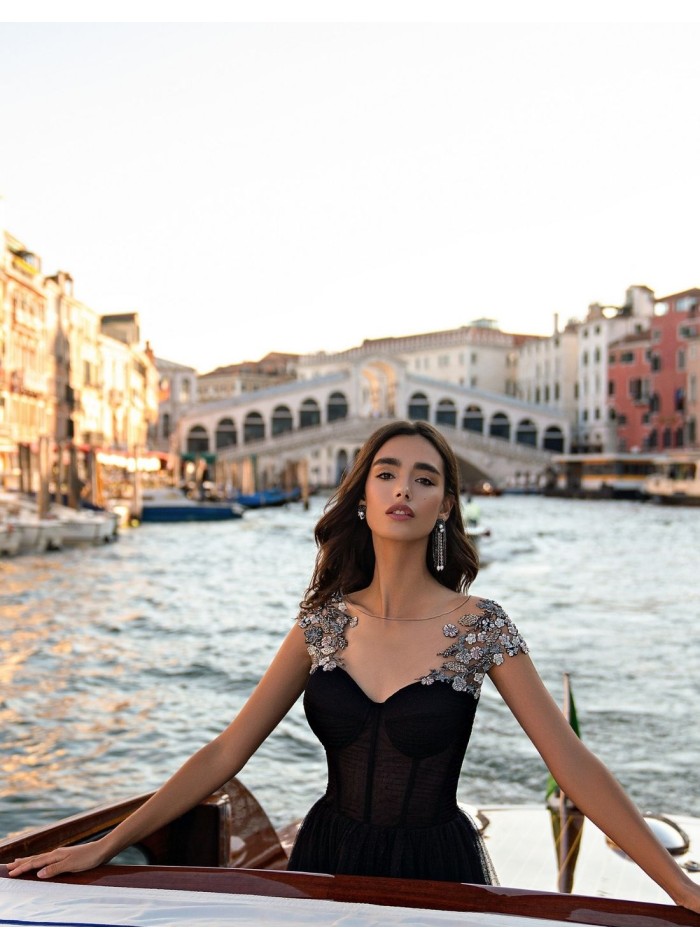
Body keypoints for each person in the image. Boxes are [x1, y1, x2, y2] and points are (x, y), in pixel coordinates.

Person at [5, 420, 700, 912]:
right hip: (325, 861)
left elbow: (571, 763)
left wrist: (682, 889)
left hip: (439, 874)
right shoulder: (322, 623)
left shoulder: (481, 625)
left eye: (423, 479)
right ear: (363, 499)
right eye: (387, 474)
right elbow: (225, 751)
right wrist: (107, 845)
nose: (403, 488)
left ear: (445, 507)